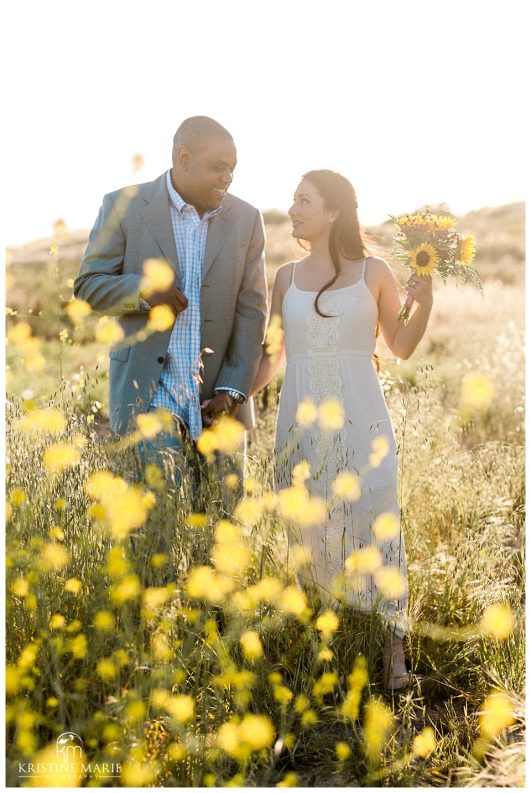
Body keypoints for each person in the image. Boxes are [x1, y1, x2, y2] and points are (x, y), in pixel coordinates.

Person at [251, 170, 433, 690]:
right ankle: (322, 651)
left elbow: (399, 345)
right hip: (300, 422)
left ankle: (392, 656)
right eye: (293, 199)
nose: (293, 209)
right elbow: (272, 355)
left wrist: (427, 302)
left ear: (333, 212)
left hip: (363, 417)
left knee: (378, 521)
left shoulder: (373, 271)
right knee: (310, 527)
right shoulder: (285, 276)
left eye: (303, 200)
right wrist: (235, 393)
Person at [74, 116, 268, 476]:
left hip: (218, 404)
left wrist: (232, 391)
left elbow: (252, 312)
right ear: (183, 157)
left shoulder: (247, 219)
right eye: (218, 167)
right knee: (155, 527)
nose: (228, 178)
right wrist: (144, 291)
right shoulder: (123, 206)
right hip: (146, 399)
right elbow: (88, 286)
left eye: (232, 170)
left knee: (222, 524)